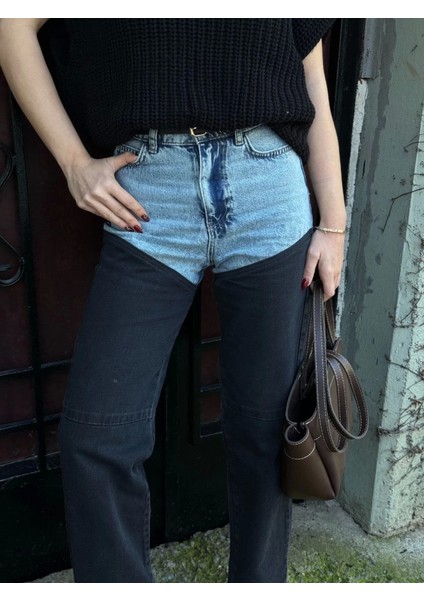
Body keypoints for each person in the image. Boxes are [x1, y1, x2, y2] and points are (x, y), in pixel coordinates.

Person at [0, 18, 346, 583]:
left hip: (267, 189)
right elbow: (12, 23)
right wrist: (73, 164)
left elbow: (313, 87)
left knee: (266, 433)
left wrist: (334, 224)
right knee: (97, 436)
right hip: (147, 196)